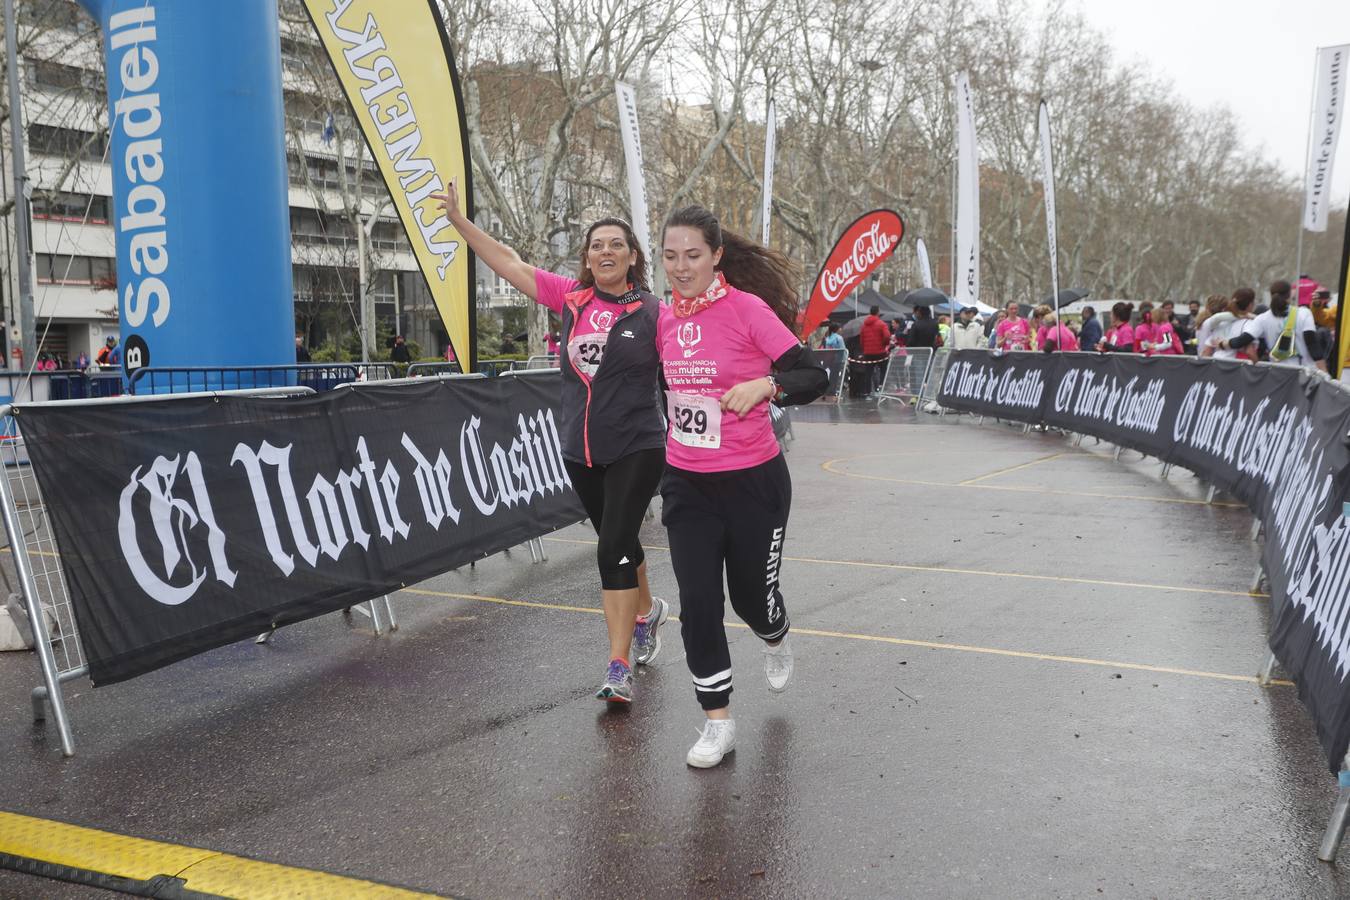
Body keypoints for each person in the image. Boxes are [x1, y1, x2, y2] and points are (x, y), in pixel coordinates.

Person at [434, 178, 670, 704]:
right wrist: (458, 222)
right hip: (580, 448)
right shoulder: (572, 298)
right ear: (586, 258)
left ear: (633, 257)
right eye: (596, 245)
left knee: (611, 548)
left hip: (639, 443)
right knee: (623, 539)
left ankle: (617, 666)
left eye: (616, 244)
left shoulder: (655, 313)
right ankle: (648, 613)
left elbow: (693, 365)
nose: (605, 251)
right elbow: (510, 262)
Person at [658, 205, 827, 768]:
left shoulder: (747, 309)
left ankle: (775, 636)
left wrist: (768, 385)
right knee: (697, 602)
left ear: (716, 256)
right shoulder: (662, 319)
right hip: (687, 483)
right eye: (671, 256)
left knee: (752, 600)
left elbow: (814, 374)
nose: (681, 267)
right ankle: (717, 722)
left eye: (693, 256)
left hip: (753, 480)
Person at [1234, 280, 1325, 371]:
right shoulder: (1304, 313)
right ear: (1289, 295)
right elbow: (1312, 344)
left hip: (1277, 374)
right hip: (1304, 373)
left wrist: (1223, 344)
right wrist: (1324, 371)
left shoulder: (1262, 319)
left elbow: (1243, 340)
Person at [1202, 288, 1258, 361]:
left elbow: (1207, 351)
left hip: (1216, 364)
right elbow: (1250, 352)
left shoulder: (1220, 323)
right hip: (1235, 367)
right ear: (1250, 304)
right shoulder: (1249, 324)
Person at [859, 304, 891, 394]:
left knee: (868, 373)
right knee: (883, 370)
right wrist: (885, 344)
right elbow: (887, 336)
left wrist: (864, 349)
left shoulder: (864, 326)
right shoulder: (882, 324)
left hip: (868, 353)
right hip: (880, 352)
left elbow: (861, 340)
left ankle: (867, 392)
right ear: (878, 312)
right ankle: (882, 388)